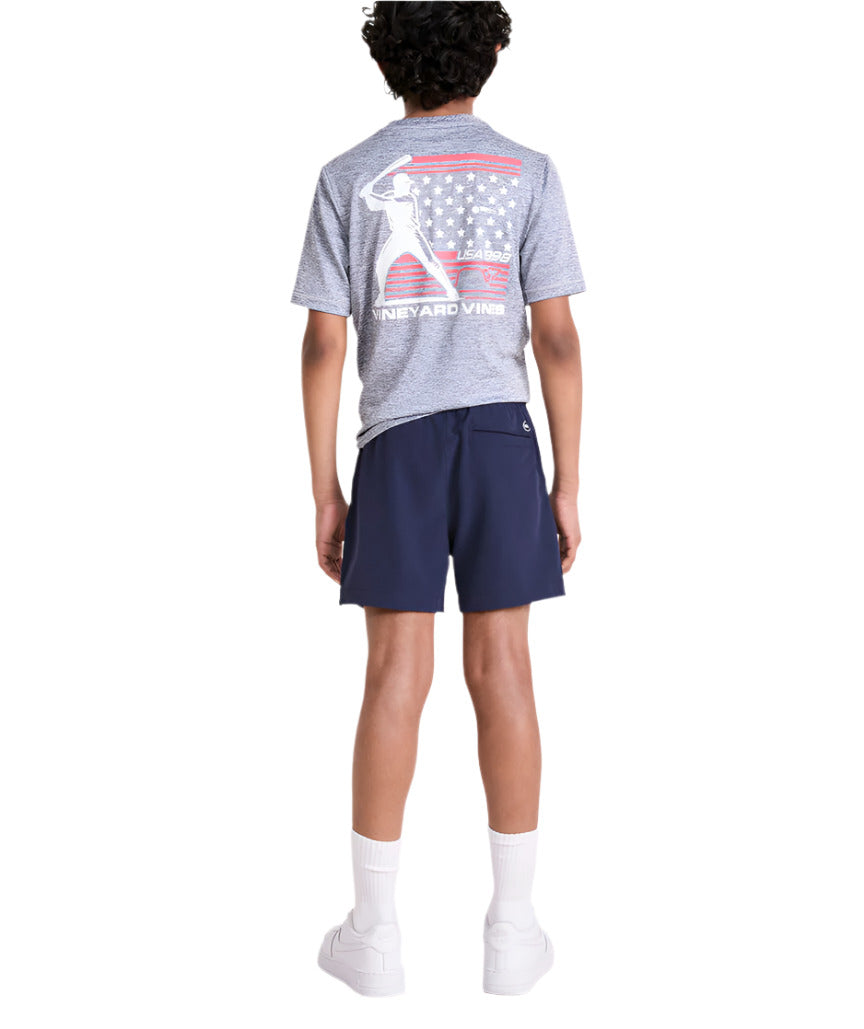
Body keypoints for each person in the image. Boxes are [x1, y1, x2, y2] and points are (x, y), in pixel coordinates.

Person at [290, 1, 585, 997]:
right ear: (492, 49)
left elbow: (324, 342)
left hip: (397, 446)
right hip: (502, 441)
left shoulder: (346, 176)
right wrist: (567, 480)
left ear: (384, 59)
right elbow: (556, 338)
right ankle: (514, 930)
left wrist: (325, 489)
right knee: (505, 670)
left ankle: (374, 936)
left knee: (392, 677)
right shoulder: (528, 171)